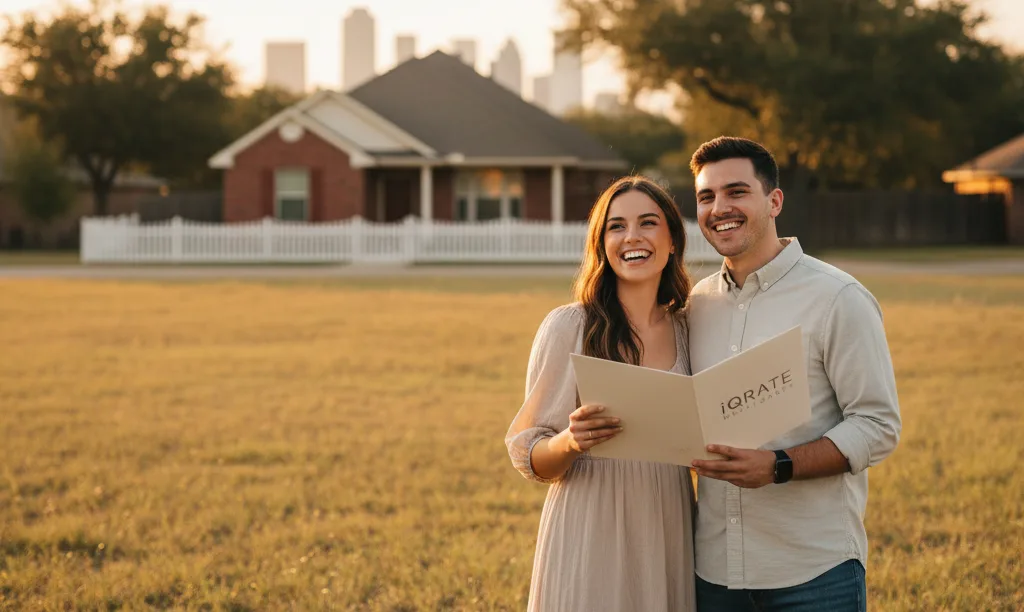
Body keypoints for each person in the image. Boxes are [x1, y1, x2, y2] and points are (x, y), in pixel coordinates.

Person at [685, 136, 902, 611]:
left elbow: (878, 426)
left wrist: (778, 466)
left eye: (736, 192)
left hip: (814, 574)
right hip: (713, 575)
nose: (720, 207)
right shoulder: (693, 306)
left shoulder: (838, 298)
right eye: (706, 196)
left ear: (774, 200)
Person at [505, 175, 697, 611]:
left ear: (671, 242)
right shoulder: (569, 326)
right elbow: (528, 454)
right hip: (590, 525)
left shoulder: (690, 329)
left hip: (667, 523)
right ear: (601, 245)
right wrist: (571, 441)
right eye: (616, 226)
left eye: (648, 223)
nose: (632, 236)